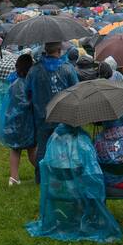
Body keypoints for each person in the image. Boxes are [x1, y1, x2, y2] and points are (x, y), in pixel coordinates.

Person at [25, 42, 79, 182]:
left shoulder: (34, 69)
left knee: (42, 147)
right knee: (65, 145)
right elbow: (77, 90)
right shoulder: (67, 68)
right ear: (60, 50)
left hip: (41, 115)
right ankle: (64, 175)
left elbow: (27, 91)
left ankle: (41, 177)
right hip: (64, 115)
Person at [0, 53, 36, 185]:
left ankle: (14, 177)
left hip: (13, 121)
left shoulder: (13, 83)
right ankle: (42, 172)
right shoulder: (31, 84)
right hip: (28, 121)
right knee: (32, 149)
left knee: (15, 149)